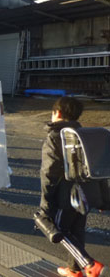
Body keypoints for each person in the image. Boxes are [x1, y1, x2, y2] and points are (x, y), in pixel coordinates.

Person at [40, 97, 107, 277]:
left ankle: (90, 265)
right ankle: (73, 271)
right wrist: (104, 199)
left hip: (65, 195)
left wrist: (45, 203)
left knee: (58, 229)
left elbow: (49, 173)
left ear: (57, 113)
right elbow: (99, 167)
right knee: (77, 231)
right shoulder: (84, 135)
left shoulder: (55, 137)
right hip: (86, 194)